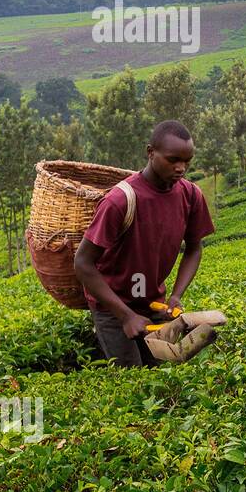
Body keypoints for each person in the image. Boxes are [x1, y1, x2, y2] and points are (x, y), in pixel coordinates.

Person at [75, 119, 215, 367]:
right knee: (131, 377)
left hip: (152, 301)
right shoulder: (120, 200)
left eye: (187, 161)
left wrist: (176, 296)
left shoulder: (191, 195)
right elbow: (83, 263)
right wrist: (126, 315)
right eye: (173, 160)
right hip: (113, 307)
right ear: (150, 152)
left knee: (160, 372)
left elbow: (194, 247)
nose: (181, 168)